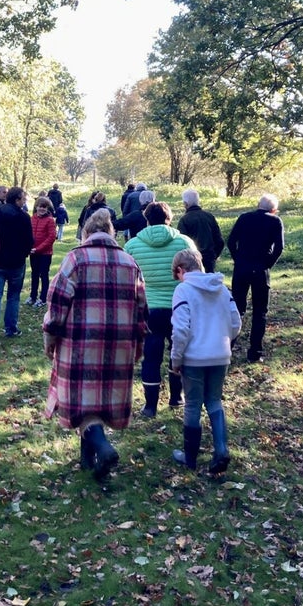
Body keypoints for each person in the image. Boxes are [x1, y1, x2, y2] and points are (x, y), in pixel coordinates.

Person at [43, 209, 148, 479]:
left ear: (86, 234)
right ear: (112, 234)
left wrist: (50, 337)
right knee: (100, 400)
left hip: (80, 343)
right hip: (119, 343)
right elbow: (141, 309)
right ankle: (89, 460)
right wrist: (138, 345)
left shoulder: (75, 259)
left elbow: (56, 302)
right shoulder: (130, 262)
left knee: (80, 401)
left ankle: (102, 447)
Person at [170, 249, 242, 474]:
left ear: (181, 270)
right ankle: (221, 449)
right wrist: (224, 342)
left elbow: (181, 330)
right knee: (214, 402)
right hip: (220, 355)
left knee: (192, 404)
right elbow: (236, 322)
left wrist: (176, 359)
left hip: (194, 357)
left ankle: (190, 457)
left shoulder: (183, 290)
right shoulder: (221, 288)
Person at [125, 201, 196, 416]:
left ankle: (150, 406)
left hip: (148, 308)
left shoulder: (133, 245)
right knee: (179, 353)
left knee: (151, 356)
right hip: (179, 306)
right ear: (169, 218)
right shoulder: (184, 242)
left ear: (147, 219)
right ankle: (177, 397)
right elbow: (195, 272)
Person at [227, 194, 285, 363]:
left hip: (242, 268)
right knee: (260, 312)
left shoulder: (244, 218)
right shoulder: (275, 221)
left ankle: (228, 348)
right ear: (274, 210)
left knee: (237, 308)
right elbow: (279, 247)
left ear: (258, 205)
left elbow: (231, 242)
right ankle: (255, 352)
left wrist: (237, 259)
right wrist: (268, 263)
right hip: (261, 270)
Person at [0, 186, 34, 343]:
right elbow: (29, 241)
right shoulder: (24, 217)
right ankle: (11, 328)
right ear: (17, 199)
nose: (24, 201)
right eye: (23, 199)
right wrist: (24, 253)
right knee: (13, 296)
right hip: (16, 262)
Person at [177, 189, 225, 273]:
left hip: (192, 260)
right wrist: (214, 256)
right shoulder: (209, 216)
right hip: (209, 259)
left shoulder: (184, 220)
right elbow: (220, 241)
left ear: (185, 204)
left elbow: (181, 243)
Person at [26, 196, 57, 308]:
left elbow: (51, 237)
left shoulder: (49, 220)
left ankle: (43, 298)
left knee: (43, 275)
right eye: (40, 206)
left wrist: (38, 248)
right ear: (36, 207)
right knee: (34, 274)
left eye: (44, 207)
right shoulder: (32, 218)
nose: (42, 209)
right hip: (33, 252)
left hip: (45, 253)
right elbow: (28, 234)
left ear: (47, 208)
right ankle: (32, 296)